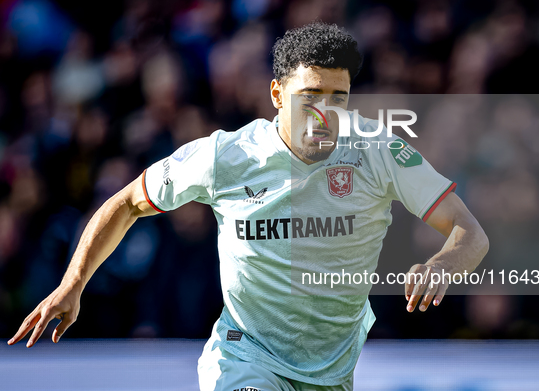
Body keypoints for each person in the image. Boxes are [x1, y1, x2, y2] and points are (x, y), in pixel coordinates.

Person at [7, 22, 489, 390]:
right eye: (310, 96)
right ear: (277, 95)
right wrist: (72, 285)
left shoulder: (380, 151)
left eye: (338, 98)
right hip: (244, 354)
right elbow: (129, 201)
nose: (325, 113)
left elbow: (470, 232)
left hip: (332, 366)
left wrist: (443, 264)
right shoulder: (226, 156)